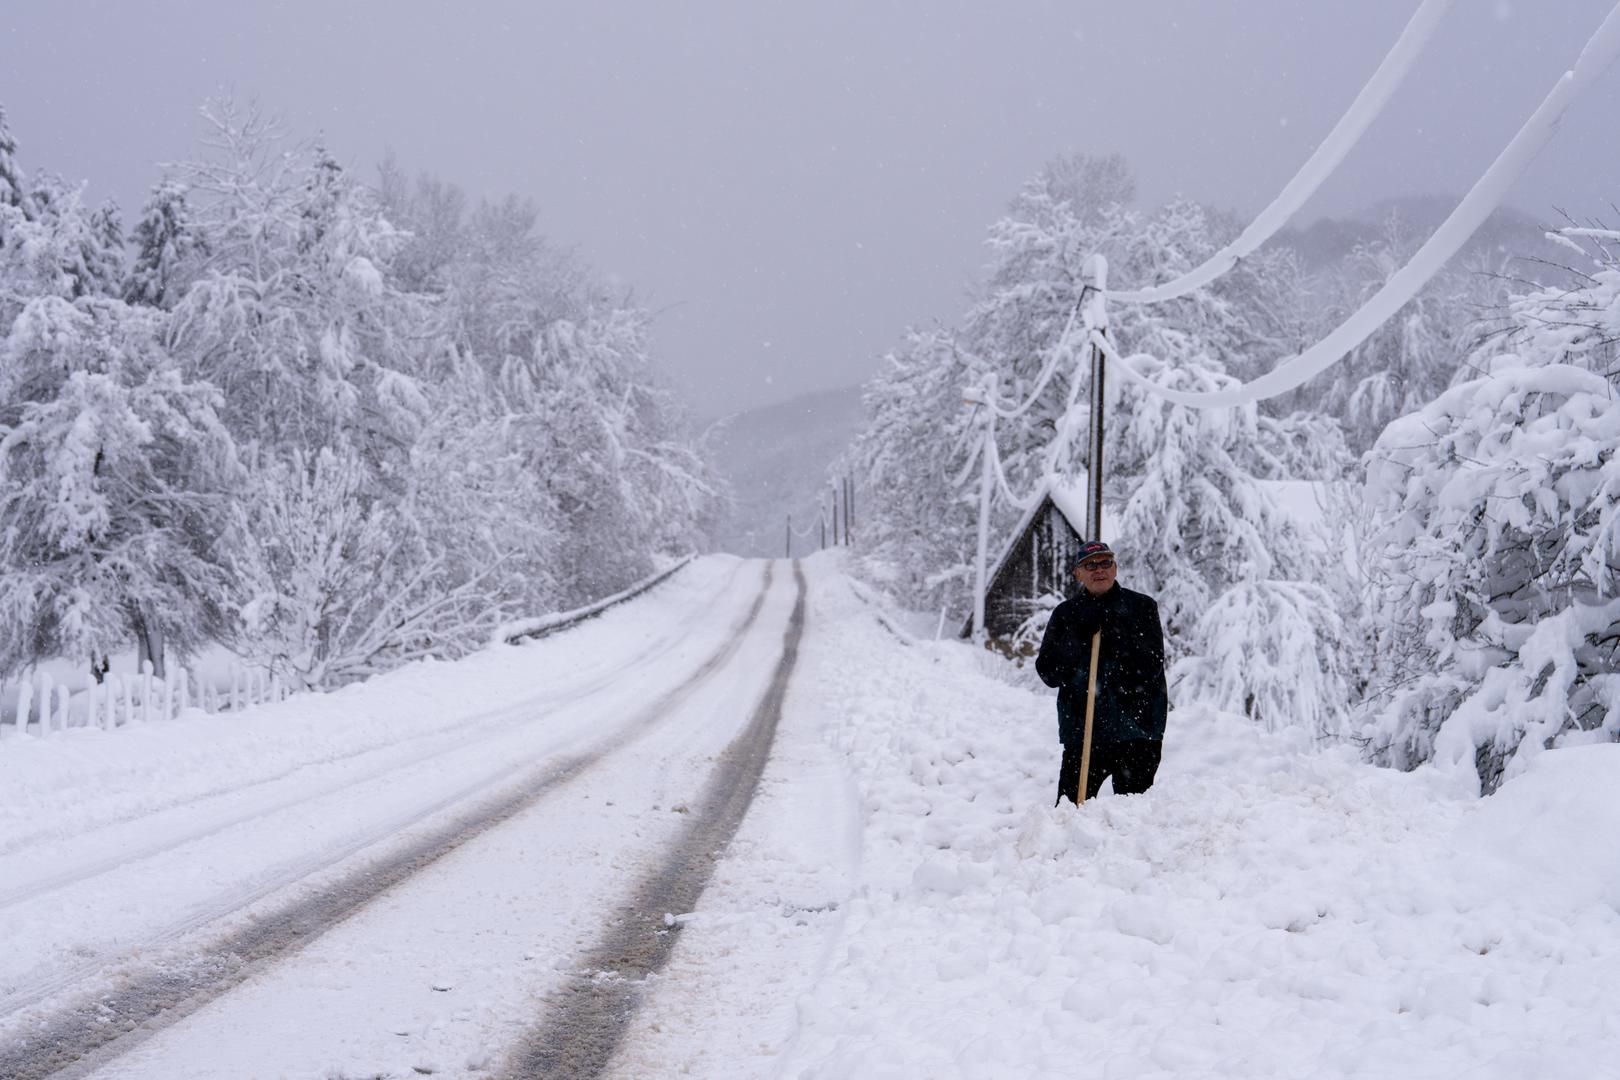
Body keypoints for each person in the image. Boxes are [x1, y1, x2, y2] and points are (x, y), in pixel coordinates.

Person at [1035, 540, 1169, 804]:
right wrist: (1078, 637)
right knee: (1070, 811)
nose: (1099, 570)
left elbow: (1151, 665)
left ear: (1115, 567)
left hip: (1137, 731)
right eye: (1090, 565)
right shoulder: (1066, 615)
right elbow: (1049, 673)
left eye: (1105, 563)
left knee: (1131, 815)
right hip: (1084, 733)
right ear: (1078, 573)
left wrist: (1117, 634)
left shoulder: (1141, 607)